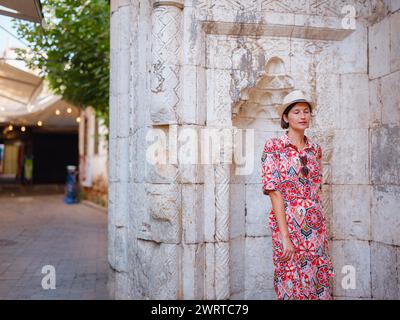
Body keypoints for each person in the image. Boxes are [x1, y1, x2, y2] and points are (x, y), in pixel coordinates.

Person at [261, 89, 335, 300]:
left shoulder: (316, 149)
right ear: (285, 117)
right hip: (287, 224)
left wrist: (318, 225)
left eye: (306, 111)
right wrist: (285, 237)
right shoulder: (273, 147)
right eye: (296, 112)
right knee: (290, 280)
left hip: (314, 226)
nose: (302, 116)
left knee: (316, 279)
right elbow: (274, 192)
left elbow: (316, 190)